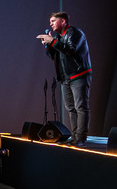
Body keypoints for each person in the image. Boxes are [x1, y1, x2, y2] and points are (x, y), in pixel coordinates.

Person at [38, 11, 92, 145]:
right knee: (71, 108)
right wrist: (48, 45)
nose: (51, 24)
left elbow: (70, 50)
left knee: (81, 107)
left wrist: (53, 41)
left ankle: (81, 138)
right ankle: (75, 137)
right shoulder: (59, 37)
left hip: (78, 75)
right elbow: (54, 56)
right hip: (65, 77)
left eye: (53, 21)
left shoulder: (75, 33)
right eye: (50, 22)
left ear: (63, 21)